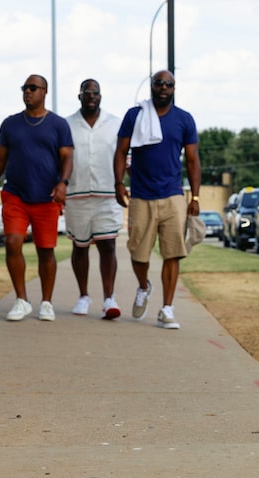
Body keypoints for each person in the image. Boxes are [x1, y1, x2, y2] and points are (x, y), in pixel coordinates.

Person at [0, 74, 73, 322]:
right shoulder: (10, 124)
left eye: (33, 87)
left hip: (46, 198)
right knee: (12, 242)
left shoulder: (58, 124)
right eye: (24, 87)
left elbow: (67, 157)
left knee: (46, 251)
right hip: (16, 195)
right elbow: (0, 159)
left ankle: (46, 302)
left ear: (45, 91)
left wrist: (63, 184)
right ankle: (21, 300)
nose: (27, 91)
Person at [114, 70, 201, 330]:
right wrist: (119, 183)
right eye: (159, 83)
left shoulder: (184, 119)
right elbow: (121, 151)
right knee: (138, 253)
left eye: (169, 84)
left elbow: (193, 160)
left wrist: (195, 196)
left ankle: (167, 308)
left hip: (173, 194)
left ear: (174, 88)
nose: (163, 88)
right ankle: (144, 286)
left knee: (172, 253)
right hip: (141, 194)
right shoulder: (136, 115)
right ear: (151, 87)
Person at [65, 79, 123, 319]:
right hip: (76, 194)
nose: (91, 96)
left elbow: (124, 157)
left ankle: (109, 299)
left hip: (107, 194)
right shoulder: (66, 124)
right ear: (79, 96)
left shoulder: (116, 124)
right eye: (86, 93)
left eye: (95, 93)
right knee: (79, 247)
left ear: (101, 96)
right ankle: (83, 296)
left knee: (108, 245)